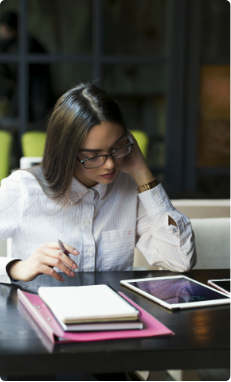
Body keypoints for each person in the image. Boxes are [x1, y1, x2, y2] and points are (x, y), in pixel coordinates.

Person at [0, 82, 196, 284]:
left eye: (118, 147)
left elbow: (180, 262)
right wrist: (17, 267)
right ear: (65, 153)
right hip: (40, 311)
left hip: (114, 312)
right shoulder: (23, 189)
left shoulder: (129, 187)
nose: (110, 164)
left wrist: (141, 171)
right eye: (93, 156)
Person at [0, 11, 54, 123]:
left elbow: (28, 74)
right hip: (24, 92)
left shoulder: (27, 44)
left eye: (5, 28)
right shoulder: (10, 44)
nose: (3, 31)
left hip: (34, 92)